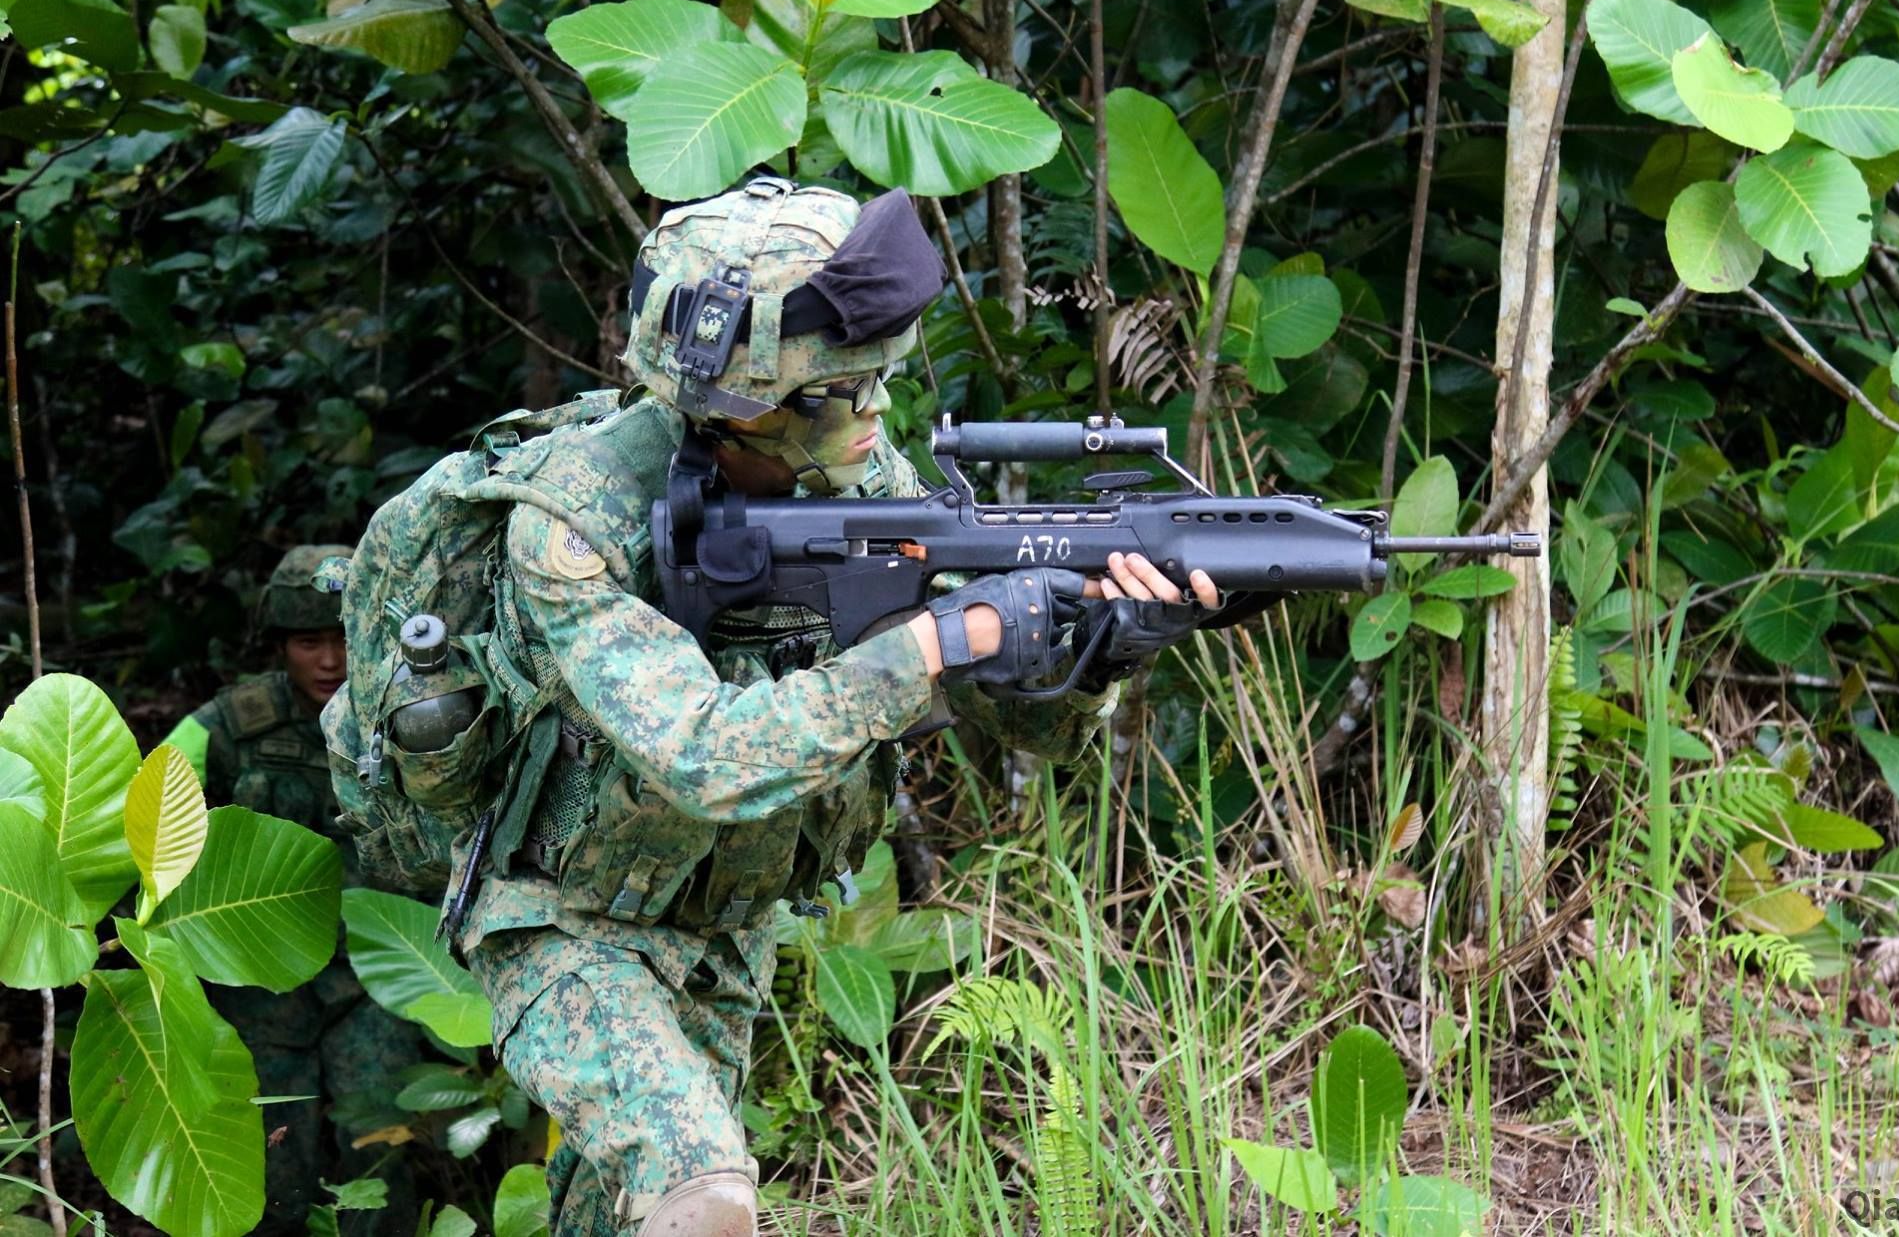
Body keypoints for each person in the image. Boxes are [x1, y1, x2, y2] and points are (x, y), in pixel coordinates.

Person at [408, 178, 1220, 1236]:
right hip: (566, 922)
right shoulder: (571, 523)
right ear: (750, 404)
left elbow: (1013, 730)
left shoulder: (856, 477)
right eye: (850, 388)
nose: (880, 410)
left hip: (722, 927)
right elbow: (706, 756)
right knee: (703, 1198)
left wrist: (1097, 651)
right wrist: (936, 642)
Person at [167, 545, 423, 1235]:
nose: (331, 661)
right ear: (279, 644)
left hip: (372, 978)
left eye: (344, 638)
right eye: (310, 642)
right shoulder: (223, 729)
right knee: (269, 1164)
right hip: (260, 985)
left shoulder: (413, 713)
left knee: (381, 1151)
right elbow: (154, 833)